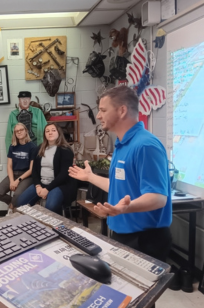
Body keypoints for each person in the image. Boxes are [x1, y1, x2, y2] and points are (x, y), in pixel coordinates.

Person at [68, 85, 172, 262]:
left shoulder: (146, 145)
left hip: (145, 240)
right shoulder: (122, 143)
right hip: (122, 234)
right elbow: (120, 187)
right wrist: (90, 177)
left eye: (103, 110)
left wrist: (125, 208)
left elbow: (158, 197)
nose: (99, 115)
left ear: (122, 110)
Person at [17, 123, 76, 215]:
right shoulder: (39, 149)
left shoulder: (65, 150)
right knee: (21, 203)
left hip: (58, 185)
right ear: (44, 134)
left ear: (58, 133)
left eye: (53, 130)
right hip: (41, 184)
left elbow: (64, 174)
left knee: (51, 207)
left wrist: (47, 189)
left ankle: (55, 225)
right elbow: (34, 170)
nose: (50, 133)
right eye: (47, 131)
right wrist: (38, 186)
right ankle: (37, 223)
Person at [0, 123, 37, 214]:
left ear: (26, 131)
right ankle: (13, 203)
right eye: (17, 131)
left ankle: (13, 208)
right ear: (15, 134)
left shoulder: (32, 147)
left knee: (17, 195)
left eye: (21, 130)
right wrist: (12, 180)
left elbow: (31, 169)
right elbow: (9, 166)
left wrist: (18, 181)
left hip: (27, 176)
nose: (19, 132)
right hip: (13, 174)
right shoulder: (12, 146)